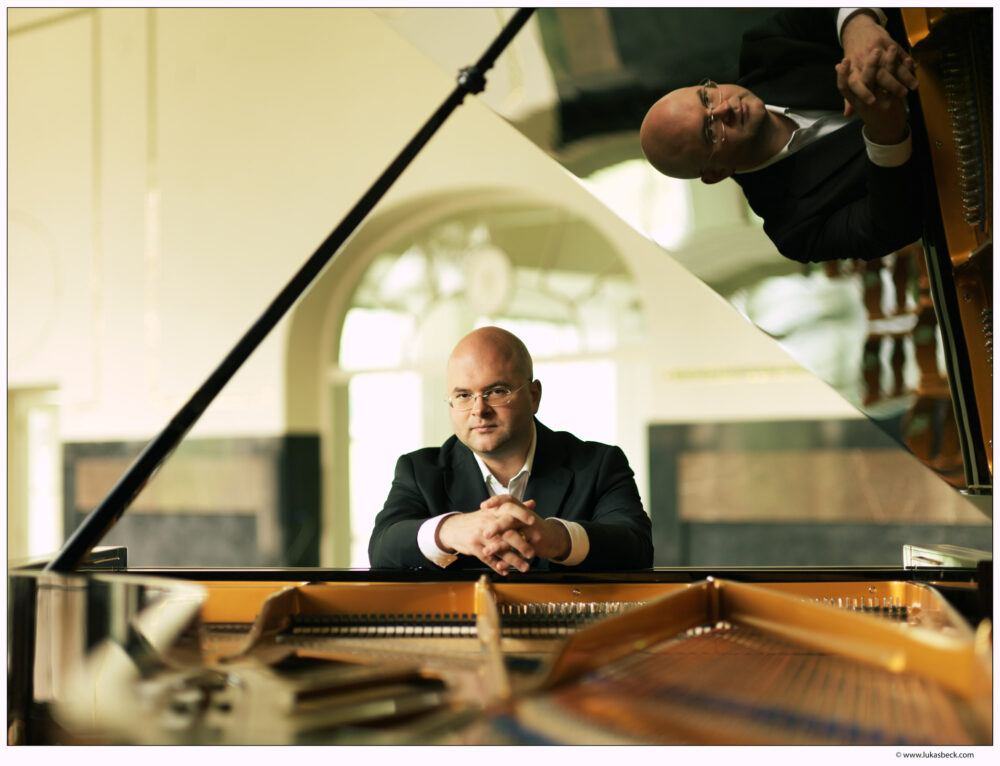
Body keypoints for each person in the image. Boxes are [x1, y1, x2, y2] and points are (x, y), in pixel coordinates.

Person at [639, 8, 923, 264]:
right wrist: (886, 135)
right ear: (717, 173)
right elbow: (894, 226)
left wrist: (856, 26)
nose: (724, 109)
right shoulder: (795, 229)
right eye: (710, 131)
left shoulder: (767, 49)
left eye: (707, 97)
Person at [368, 326, 653, 574]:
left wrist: (558, 538)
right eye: (464, 395)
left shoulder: (600, 465)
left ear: (534, 396)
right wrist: (449, 531)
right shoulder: (418, 471)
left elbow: (637, 548)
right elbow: (381, 549)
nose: (479, 410)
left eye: (497, 391)